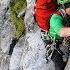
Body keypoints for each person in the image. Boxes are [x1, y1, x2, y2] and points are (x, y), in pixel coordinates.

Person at [48, 2, 70, 70]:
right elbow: (62, 32)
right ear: (64, 7)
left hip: (64, 42)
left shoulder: (67, 14)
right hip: (55, 48)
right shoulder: (55, 18)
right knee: (60, 66)